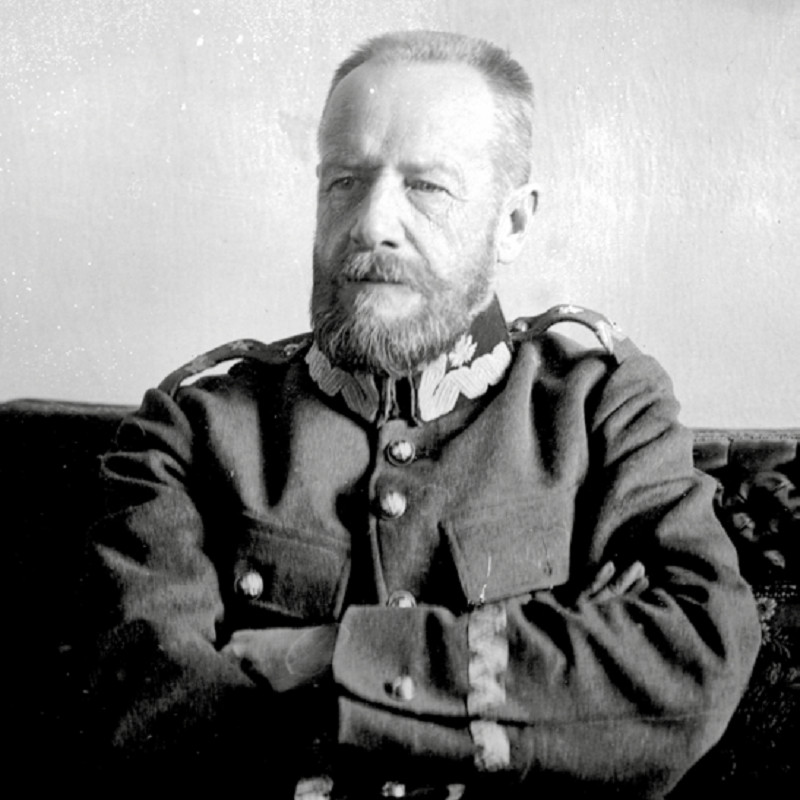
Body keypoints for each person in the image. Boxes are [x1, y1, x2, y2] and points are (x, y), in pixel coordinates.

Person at [87, 30, 761, 798]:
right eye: (344, 181)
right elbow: (159, 721)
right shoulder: (188, 433)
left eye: (428, 187)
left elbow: (690, 663)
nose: (372, 222)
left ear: (512, 224)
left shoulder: (602, 412)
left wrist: (330, 653)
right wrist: (557, 684)